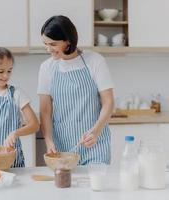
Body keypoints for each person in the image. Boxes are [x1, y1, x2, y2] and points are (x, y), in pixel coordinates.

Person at [38, 15, 114, 165]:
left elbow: (108, 102)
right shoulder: (47, 68)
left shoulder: (95, 61)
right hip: (63, 148)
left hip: (95, 145)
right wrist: (48, 141)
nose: (48, 49)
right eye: (45, 44)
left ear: (68, 41)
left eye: (52, 44)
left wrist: (96, 131)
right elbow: (45, 110)